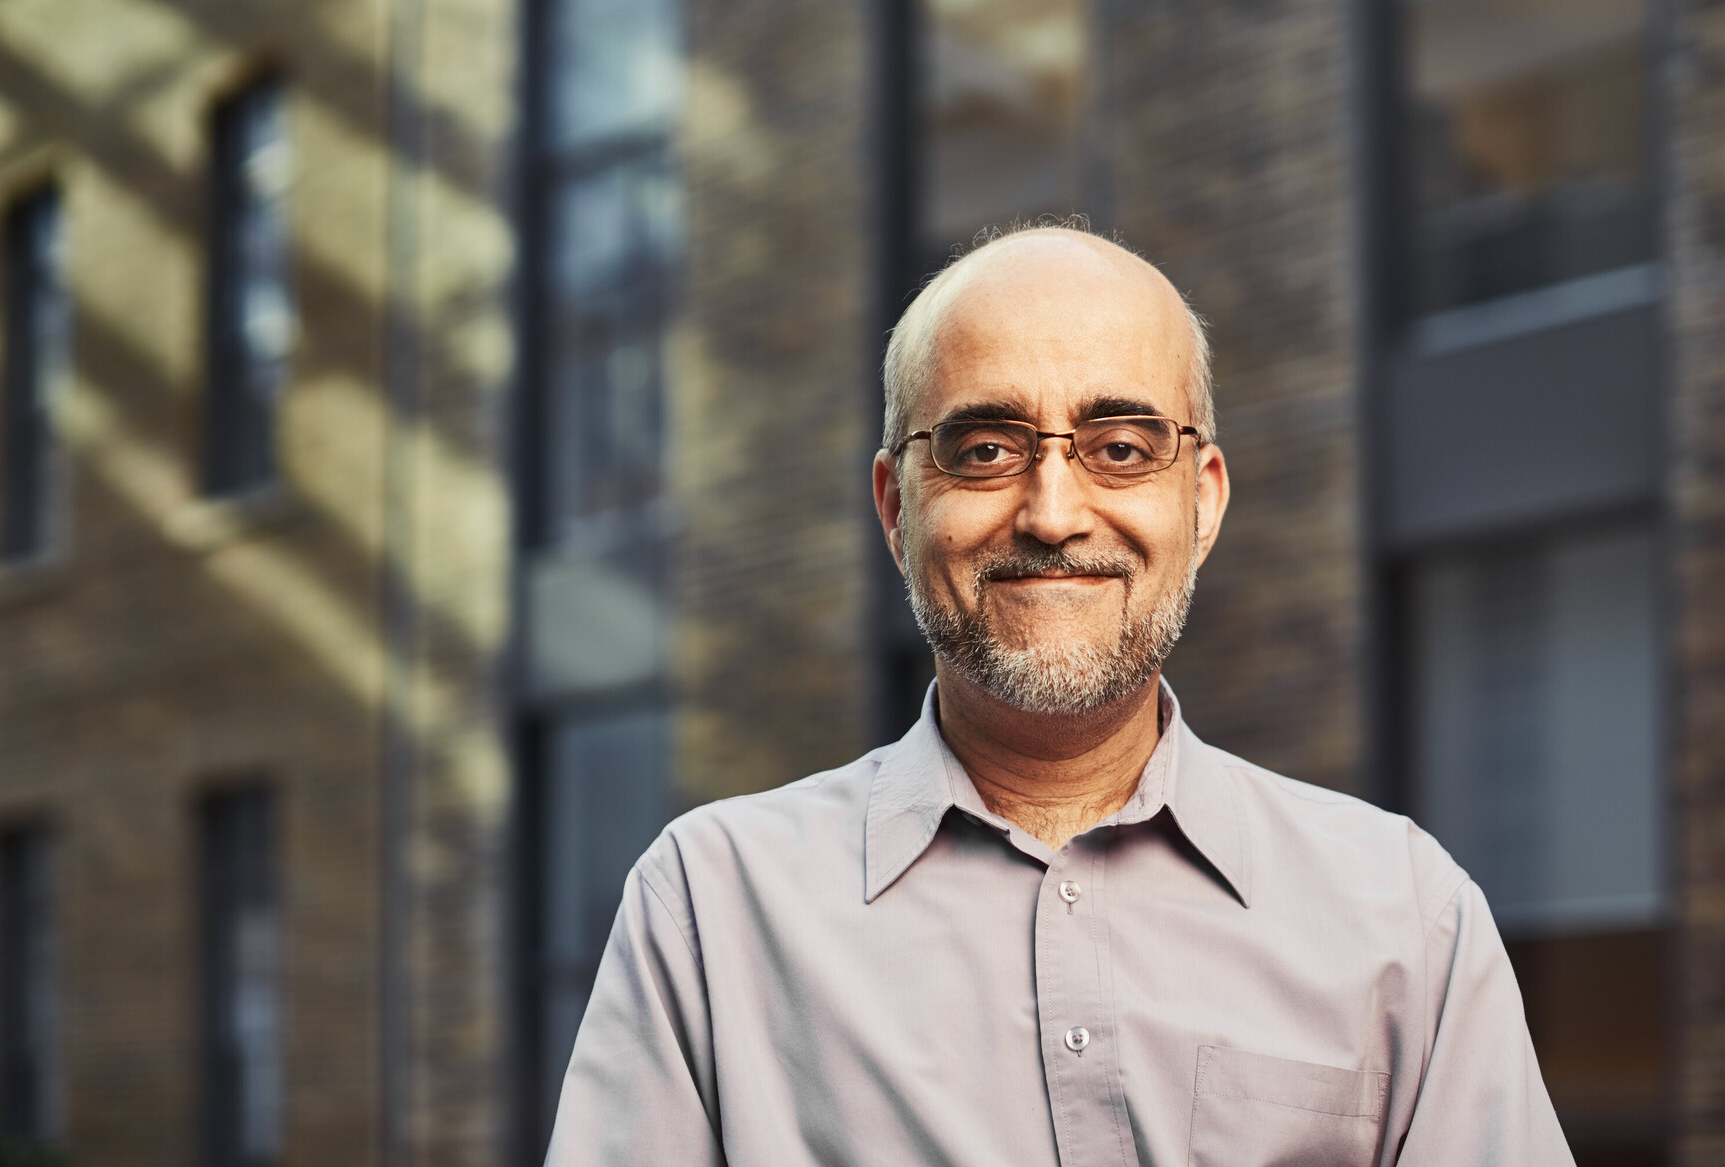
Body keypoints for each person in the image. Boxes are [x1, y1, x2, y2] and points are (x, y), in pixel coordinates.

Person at [546, 225, 1574, 1165]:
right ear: (897, 507)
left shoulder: (1403, 914)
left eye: (1120, 448)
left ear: (1201, 499)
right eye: (984, 449)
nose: (1051, 511)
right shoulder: (712, 909)